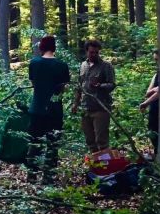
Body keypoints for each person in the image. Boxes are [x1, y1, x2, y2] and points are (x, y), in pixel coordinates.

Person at [26, 34, 70, 180]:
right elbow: (63, 88)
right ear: (54, 47)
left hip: (37, 108)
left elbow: (33, 84)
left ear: (41, 48)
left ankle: (31, 176)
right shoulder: (62, 66)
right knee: (53, 144)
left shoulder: (34, 63)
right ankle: (48, 177)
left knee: (35, 142)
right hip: (55, 110)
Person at [73, 39, 116, 153]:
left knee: (101, 140)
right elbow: (79, 86)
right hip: (85, 108)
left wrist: (100, 85)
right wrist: (75, 104)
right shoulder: (83, 65)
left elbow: (112, 84)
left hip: (101, 108)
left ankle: (106, 166)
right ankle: (96, 166)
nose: (94, 54)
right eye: (92, 52)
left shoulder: (106, 66)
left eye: (97, 52)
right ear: (86, 51)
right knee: (90, 141)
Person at [140, 52, 160, 149]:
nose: (156, 62)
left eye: (158, 59)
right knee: (152, 131)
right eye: (155, 59)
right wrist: (155, 89)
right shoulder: (156, 75)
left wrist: (145, 103)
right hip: (154, 107)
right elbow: (148, 92)